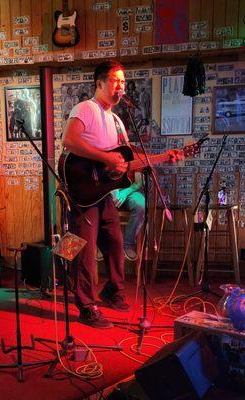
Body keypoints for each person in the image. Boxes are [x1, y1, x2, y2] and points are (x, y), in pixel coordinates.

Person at [62, 61, 182, 329]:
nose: (121, 86)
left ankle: (112, 291)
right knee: (83, 250)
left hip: (102, 194)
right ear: (100, 83)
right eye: (116, 81)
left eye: (123, 82)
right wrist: (105, 158)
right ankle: (86, 306)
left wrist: (162, 157)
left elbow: (127, 159)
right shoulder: (86, 109)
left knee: (116, 242)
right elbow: (69, 140)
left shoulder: (116, 120)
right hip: (83, 191)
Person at [111, 173, 145, 261]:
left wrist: (124, 192)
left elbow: (139, 182)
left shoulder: (136, 159)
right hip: (105, 190)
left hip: (130, 190)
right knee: (98, 204)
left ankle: (128, 245)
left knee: (141, 205)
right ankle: (102, 244)